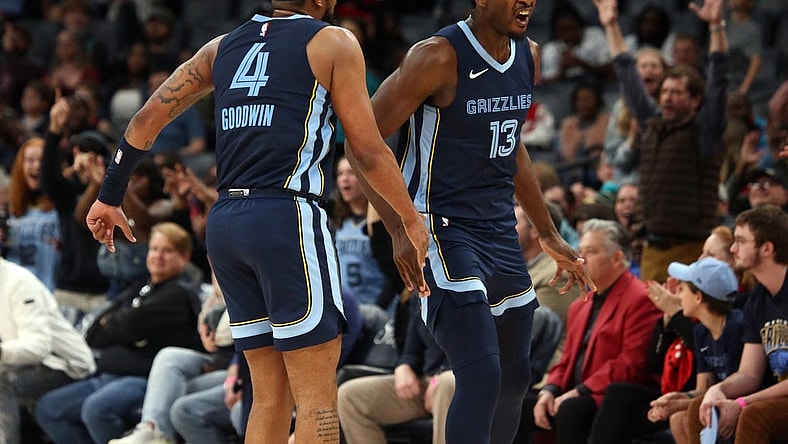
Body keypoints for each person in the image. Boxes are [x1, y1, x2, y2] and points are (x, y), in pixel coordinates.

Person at [84, 1, 431, 443]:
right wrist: (408, 219)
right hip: (286, 218)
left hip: (226, 224)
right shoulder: (332, 41)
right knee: (317, 400)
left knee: (268, 396)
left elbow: (144, 120)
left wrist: (109, 194)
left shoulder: (220, 47)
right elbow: (366, 149)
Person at [360, 0, 594, 442]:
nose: (528, 1)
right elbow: (362, 139)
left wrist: (546, 230)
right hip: (440, 228)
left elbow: (512, 145)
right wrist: (399, 226)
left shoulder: (530, 54)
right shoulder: (437, 56)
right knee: (482, 372)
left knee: (514, 374)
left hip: (500, 227)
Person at [593, 0, 730, 283]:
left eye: (677, 93)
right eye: (665, 91)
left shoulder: (706, 130)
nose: (666, 97)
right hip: (652, 249)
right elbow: (628, 75)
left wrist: (716, 27)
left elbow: (719, 78)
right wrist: (611, 25)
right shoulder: (653, 125)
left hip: (692, 249)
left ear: (696, 100)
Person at [34, 222, 204, 444]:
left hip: (143, 379)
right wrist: (118, 326)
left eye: (167, 250)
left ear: (184, 256)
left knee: (96, 410)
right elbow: (94, 332)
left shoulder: (177, 294)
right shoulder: (141, 287)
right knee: (48, 408)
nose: (158, 256)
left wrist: (116, 324)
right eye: (154, 249)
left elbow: (126, 325)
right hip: (108, 374)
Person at [516, 219, 660, 444]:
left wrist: (579, 391)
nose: (580, 260)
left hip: (611, 396)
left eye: (590, 252)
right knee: (515, 407)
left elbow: (631, 363)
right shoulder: (581, 303)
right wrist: (550, 390)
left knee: (571, 409)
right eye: (579, 252)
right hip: (576, 391)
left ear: (617, 258)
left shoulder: (640, 298)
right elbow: (566, 359)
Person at [683, 205, 788, 444]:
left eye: (740, 241)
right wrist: (717, 391)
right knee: (702, 407)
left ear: (767, 248)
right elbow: (749, 374)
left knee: (754, 416)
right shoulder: (758, 299)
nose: (732, 249)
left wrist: (743, 402)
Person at [0, 257, 96, 444]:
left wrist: (2, 353)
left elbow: (38, 347)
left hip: (66, 364)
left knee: (3, 383)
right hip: (27, 363)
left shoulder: (19, 283)